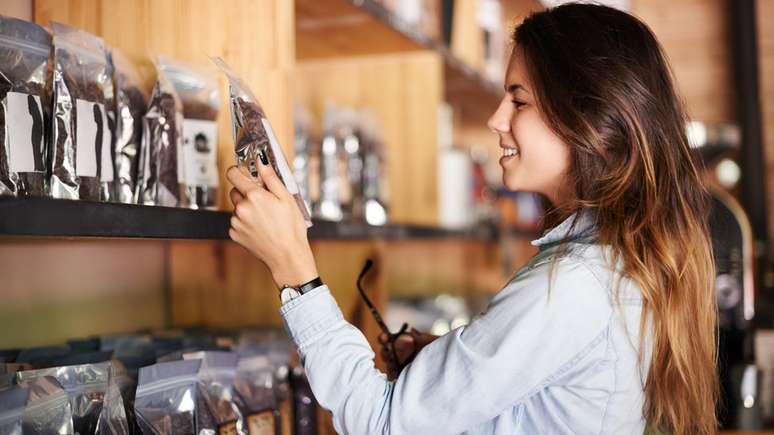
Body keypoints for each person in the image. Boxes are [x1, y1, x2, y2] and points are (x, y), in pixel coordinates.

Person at [226, 3, 718, 434]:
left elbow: (382, 422)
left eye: (519, 100)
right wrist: (452, 359)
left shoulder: (574, 285)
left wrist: (295, 271)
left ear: (589, 120)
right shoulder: (611, 265)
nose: (497, 119)